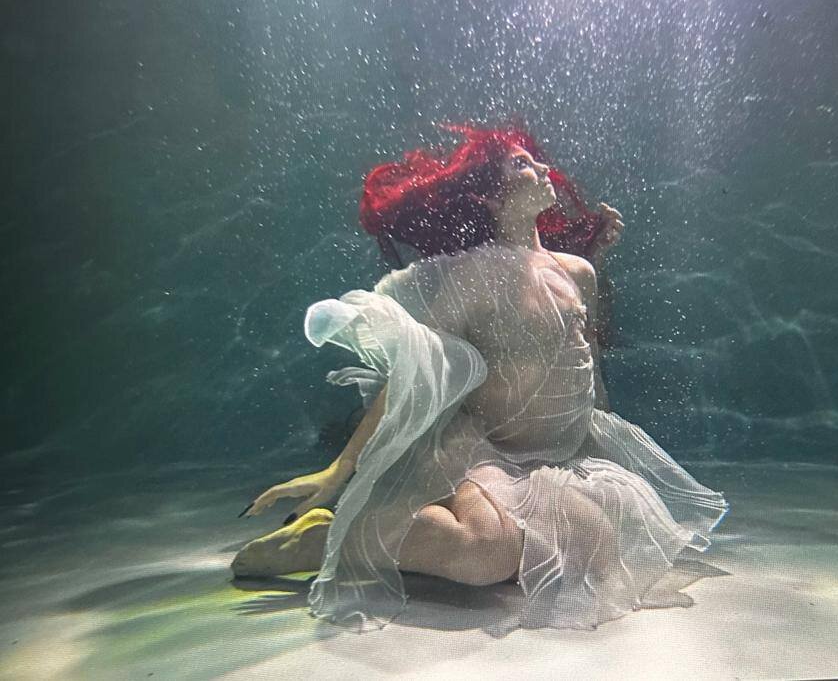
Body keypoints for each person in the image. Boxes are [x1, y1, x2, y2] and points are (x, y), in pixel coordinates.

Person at [231, 125, 728, 632]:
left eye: (535, 160)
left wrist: (601, 439)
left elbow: (586, 357)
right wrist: (339, 470)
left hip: (564, 453)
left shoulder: (579, 271)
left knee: (596, 553)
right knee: (483, 554)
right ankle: (331, 536)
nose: (542, 168)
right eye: (521, 164)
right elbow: (416, 367)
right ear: (489, 195)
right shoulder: (471, 276)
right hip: (487, 450)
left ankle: (415, 533)